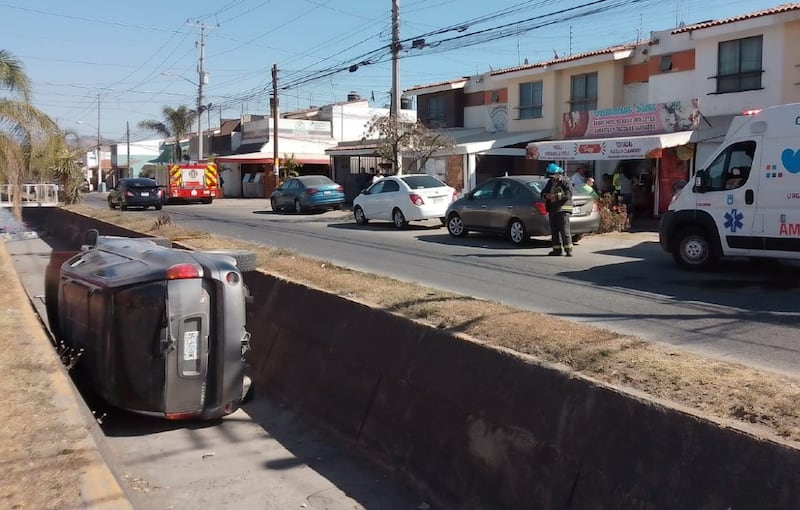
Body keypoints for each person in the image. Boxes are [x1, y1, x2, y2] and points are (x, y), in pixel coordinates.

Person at [541, 163, 574, 256]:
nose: (551, 178)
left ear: (558, 174)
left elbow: (569, 194)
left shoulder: (566, 182)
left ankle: (568, 250)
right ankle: (557, 250)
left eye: (552, 176)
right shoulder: (550, 182)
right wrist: (546, 195)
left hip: (563, 210)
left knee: (564, 230)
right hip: (552, 209)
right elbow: (542, 193)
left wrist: (555, 197)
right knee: (554, 231)